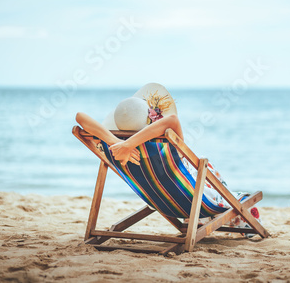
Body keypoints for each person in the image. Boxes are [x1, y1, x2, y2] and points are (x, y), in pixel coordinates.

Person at [75, 83, 261, 234]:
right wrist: (125, 145)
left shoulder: (114, 148)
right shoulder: (162, 145)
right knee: (208, 171)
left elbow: (79, 117)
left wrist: (118, 142)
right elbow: (172, 120)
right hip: (197, 199)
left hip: (161, 201)